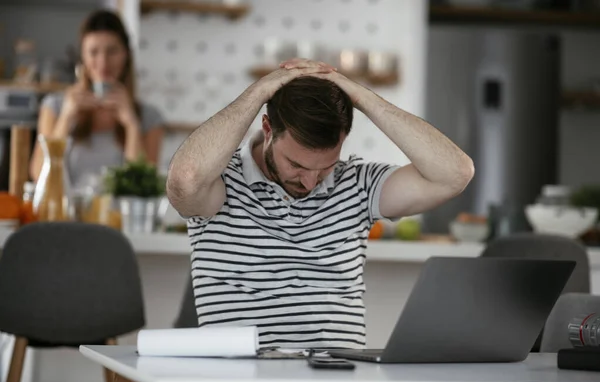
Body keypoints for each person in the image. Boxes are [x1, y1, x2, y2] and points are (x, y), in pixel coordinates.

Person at [167, 58, 475, 349]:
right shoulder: (220, 182)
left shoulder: (357, 183)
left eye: (325, 166)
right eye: (297, 165)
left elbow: (454, 174)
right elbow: (185, 179)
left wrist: (360, 96)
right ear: (267, 128)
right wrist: (259, 92)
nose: (311, 183)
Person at [30, 9, 164, 189]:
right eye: (93, 52)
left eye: (112, 51)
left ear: (126, 54)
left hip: (118, 217)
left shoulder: (149, 117)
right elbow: (39, 176)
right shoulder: (54, 106)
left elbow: (143, 187)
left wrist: (131, 125)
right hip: (66, 216)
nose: (103, 63)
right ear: (83, 57)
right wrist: (66, 119)